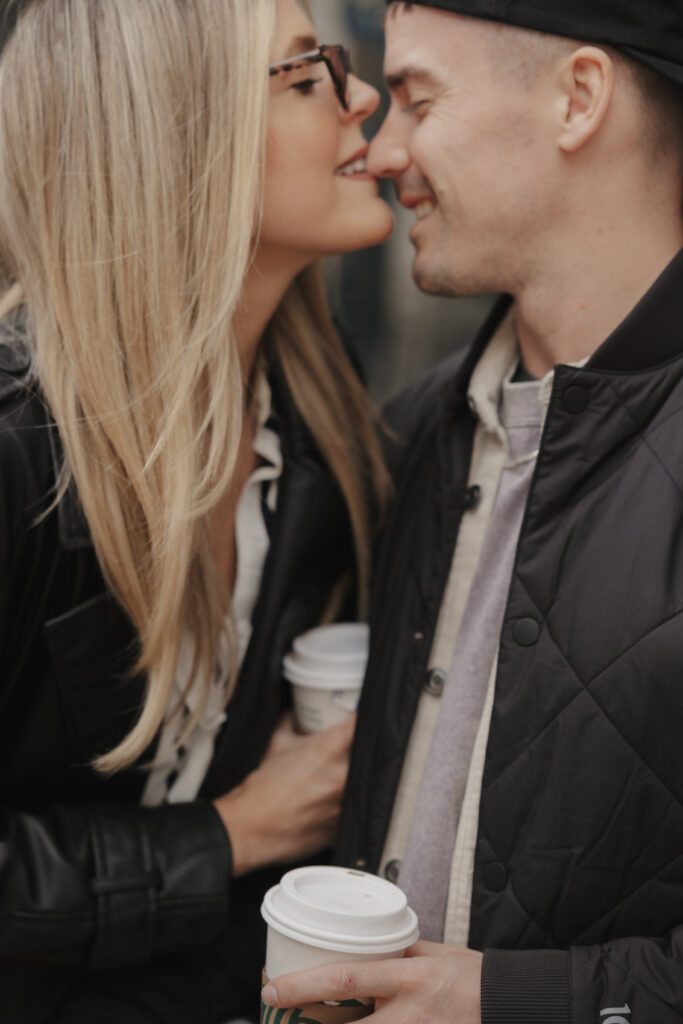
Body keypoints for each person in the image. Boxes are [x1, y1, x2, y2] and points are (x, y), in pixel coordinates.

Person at [261, 1, 683, 1022]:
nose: (379, 149)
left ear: (576, 99)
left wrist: (509, 999)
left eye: (414, 97)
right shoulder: (410, 432)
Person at [0, 0, 394, 1021]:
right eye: (306, 78)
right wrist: (237, 830)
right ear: (180, 135)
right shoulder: (17, 446)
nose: (361, 101)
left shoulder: (317, 416)